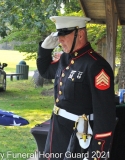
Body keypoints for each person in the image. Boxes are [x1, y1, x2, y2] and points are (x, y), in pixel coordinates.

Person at [36, 16, 116, 160]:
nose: (60, 40)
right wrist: (44, 50)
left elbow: (105, 115)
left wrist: (97, 153)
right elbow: (46, 71)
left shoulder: (96, 66)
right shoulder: (66, 59)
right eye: (58, 35)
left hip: (80, 138)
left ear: (80, 34)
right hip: (58, 131)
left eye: (64, 35)